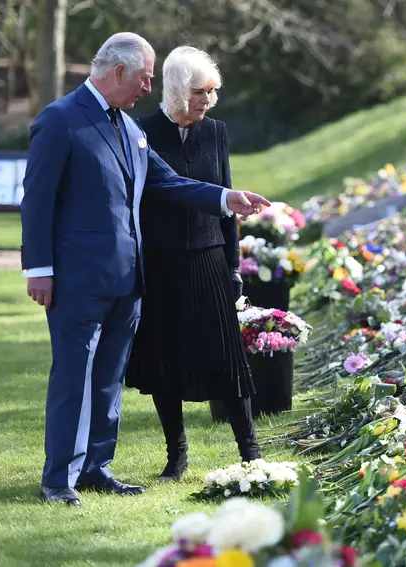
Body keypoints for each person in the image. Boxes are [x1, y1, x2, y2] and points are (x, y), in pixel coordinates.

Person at [20, 32, 271, 507]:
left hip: (128, 282)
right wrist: (39, 269)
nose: (148, 88)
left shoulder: (129, 128)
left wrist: (225, 199)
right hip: (77, 282)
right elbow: (36, 202)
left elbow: (169, 182)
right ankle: (58, 479)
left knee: (109, 379)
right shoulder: (60, 121)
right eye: (145, 78)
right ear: (118, 72)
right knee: (74, 376)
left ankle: (96, 467)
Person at [124, 46, 258, 483]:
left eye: (213, 91)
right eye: (201, 91)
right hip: (161, 263)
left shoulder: (216, 132)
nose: (209, 100)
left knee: (227, 359)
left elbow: (227, 201)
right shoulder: (141, 132)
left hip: (209, 259)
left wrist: (234, 265)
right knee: (166, 361)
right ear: (179, 89)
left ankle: (250, 453)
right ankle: (176, 456)